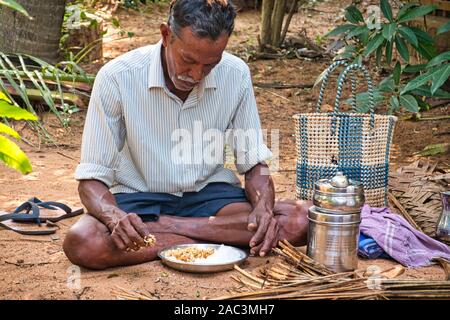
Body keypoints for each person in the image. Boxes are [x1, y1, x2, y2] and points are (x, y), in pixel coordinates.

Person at [63, 0, 310, 270]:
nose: (195, 75)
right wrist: (113, 217)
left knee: (301, 220)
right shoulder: (116, 77)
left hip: (209, 197)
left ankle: (166, 232)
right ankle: (214, 238)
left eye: (209, 66)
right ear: (166, 35)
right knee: (84, 242)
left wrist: (263, 206)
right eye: (188, 60)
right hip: (138, 200)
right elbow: (91, 180)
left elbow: (255, 165)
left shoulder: (236, 73)